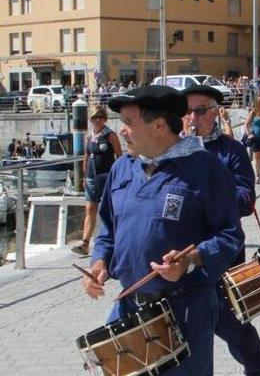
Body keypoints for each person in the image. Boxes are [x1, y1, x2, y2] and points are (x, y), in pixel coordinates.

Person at [83, 85, 243, 376]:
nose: (122, 132)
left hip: (185, 310)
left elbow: (230, 235)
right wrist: (99, 262)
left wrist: (191, 260)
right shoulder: (123, 168)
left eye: (129, 124)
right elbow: (107, 230)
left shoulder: (204, 167)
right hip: (131, 309)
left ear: (158, 126)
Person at [182, 84, 260, 375]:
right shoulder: (175, 153)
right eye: (188, 111)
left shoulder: (231, 150)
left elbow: (246, 200)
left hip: (224, 254)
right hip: (184, 258)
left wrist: (212, 196)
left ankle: (258, 367)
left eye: (200, 111)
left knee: (233, 326)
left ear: (216, 114)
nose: (193, 118)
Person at [72, 106, 122, 256]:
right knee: (90, 209)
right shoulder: (89, 136)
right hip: (92, 177)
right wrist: (83, 176)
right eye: (95, 118)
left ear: (105, 119)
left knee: (109, 210)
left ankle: (115, 241)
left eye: (100, 117)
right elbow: (87, 156)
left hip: (107, 176)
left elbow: (119, 157)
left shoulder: (111, 135)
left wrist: (119, 176)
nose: (98, 120)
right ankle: (85, 243)